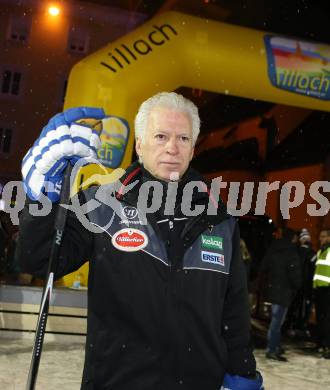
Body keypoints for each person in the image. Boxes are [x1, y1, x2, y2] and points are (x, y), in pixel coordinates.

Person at [17, 92, 263, 389]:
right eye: (160, 136)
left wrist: (242, 373)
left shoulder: (219, 218)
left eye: (183, 139)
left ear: (193, 149)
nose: (172, 148)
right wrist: (40, 198)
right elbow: (39, 259)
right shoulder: (101, 204)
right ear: (139, 145)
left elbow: (233, 309)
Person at [262, 228, 302, 361]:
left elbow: (264, 267)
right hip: (284, 291)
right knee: (277, 322)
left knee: (275, 321)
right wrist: (297, 286)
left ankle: (274, 346)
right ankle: (272, 349)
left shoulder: (273, 248)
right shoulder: (291, 251)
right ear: (292, 238)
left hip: (273, 289)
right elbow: (294, 274)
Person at [313, 228, 330, 359]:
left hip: (328, 290)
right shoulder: (320, 252)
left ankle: (327, 346)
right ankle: (320, 344)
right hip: (319, 290)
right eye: (320, 236)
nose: (321, 239)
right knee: (321, 318)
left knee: (327, 320)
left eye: (323, 236)